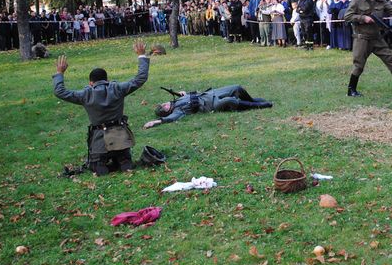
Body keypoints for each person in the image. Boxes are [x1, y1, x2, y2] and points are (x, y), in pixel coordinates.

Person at [53, 40, 150, 175]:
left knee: (99, 168)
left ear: (91, 83)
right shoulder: (117, 89)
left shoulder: (86, 94)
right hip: (121, 139)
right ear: (107, 80)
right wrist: (141, 55)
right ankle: (122, 161)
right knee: (126, 164)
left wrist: (59, 73)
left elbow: (60, 92)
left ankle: (103, 164)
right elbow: (140, 78)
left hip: (99, 141)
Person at [144, 85, 272, 128]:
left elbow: (187, 94)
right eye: (163, 107)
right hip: (210, 106)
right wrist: (157, 121)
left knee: (236, 88)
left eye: (163, 103)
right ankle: (259, 106)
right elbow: (172, 118)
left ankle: (254, 101)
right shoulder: (177, 111)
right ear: (166, 111)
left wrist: (183, 93)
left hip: (209, 94)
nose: (164, 104)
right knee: (230, 100)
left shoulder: (178, 99)